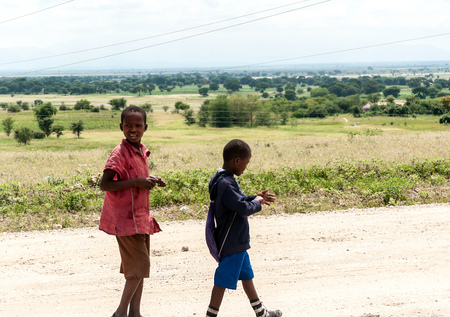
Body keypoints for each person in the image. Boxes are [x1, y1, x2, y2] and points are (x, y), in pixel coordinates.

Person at [99, 105, 166, 317]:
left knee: (140, 270)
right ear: (121, 127)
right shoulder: (119, 154)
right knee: (139, 267)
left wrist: (152, 179)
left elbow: (136, 176)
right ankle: (120, 313)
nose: (133, 129)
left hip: (141, 218)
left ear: (145, 127)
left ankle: (135, 313)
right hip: (125, 220)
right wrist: (137, 182)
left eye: (138, 125)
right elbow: (105, 184)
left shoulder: (141, 151)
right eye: (128, 125)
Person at [205, 139, 282, 317]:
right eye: (246, 163)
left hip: (236, 240)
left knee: (247, 275)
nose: (246, 167)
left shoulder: (221, 178)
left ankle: (261, 312)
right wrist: (257, 203)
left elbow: (235, 201)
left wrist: (255, 197)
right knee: (222, 280)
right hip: (231, 241)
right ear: (237, 161)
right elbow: (241, 208)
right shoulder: (226, 183)